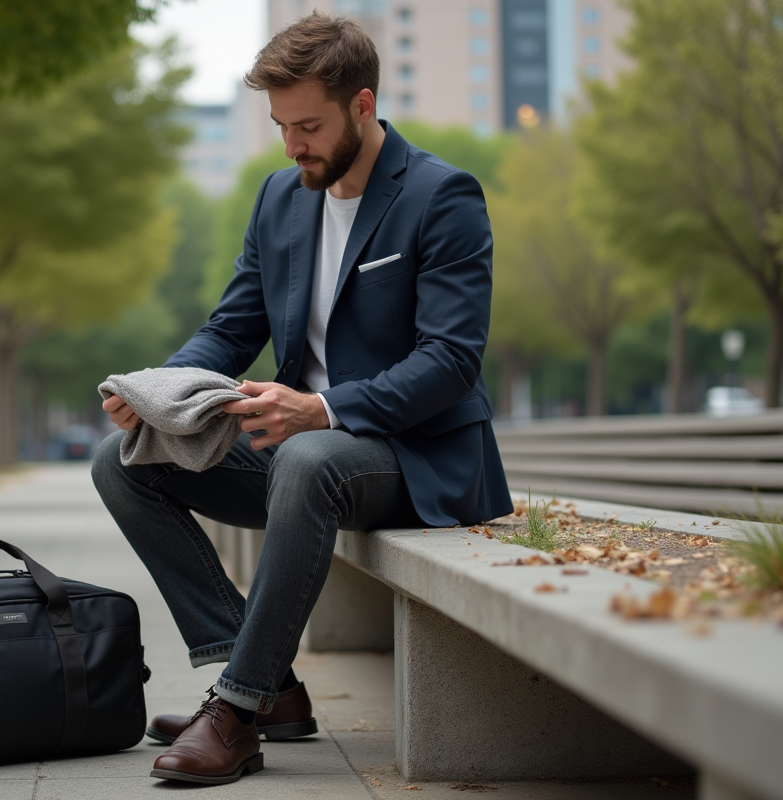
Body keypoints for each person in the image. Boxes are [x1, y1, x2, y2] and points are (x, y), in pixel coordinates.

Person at [92, 11, 512, 785]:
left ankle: (235, 712)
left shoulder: (441, 196)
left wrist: (320, 409)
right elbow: (231, 328)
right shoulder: (281, 199)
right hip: (304, 464)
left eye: (309, 125)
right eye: (282, 127)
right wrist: (154, 395)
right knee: (121, 461)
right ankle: (266, 687)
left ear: (362, 104)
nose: (293, 146)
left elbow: (451, 361)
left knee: (309, 457)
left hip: (416, 463)